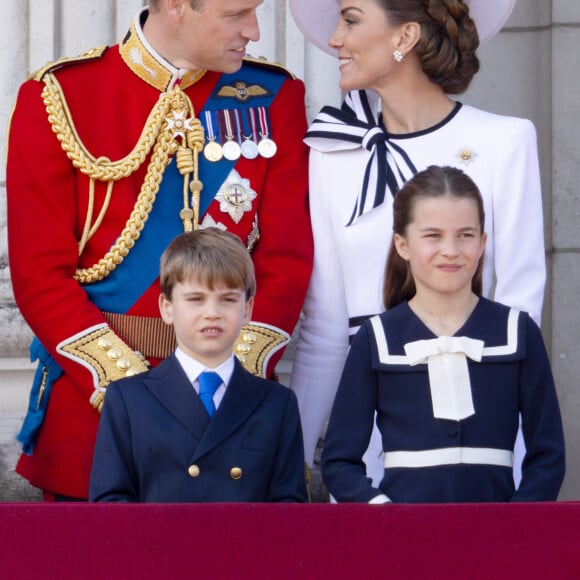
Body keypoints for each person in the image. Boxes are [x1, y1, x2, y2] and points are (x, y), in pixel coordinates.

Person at [6, 0, 313, 501]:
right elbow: (40, 275)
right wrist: (131, 393)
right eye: (237, 14)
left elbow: (286, 260)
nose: (254, 30)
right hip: (97, 415)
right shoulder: (60, 96)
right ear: (174, 6)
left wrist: (226, 381)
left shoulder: (273, 96)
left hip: (229, 415)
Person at [287, 0, 544, 484]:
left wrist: (515, 457)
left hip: (477, 430)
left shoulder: (505, 141)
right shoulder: (331, 153)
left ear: (405, 37)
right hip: (369, 436)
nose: (335, 40)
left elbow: (520, 313)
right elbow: (323, 330)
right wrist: (287, 462)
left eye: (351, 20)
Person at [321, 165, 564, 503]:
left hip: (498, 541)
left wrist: (514, 525)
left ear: (482, 243)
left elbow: (548, 457)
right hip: (403, 540)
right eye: (433, 235)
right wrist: (384, 514)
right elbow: (339, 462)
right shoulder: (375, 338)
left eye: (465, 235)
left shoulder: (518, 332)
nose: (450, 250)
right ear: (402, 244)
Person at [90, 228, 307, 502]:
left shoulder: (277, 404)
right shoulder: (128, 400)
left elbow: (289, 512)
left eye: (228, 299)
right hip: (158, 545)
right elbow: (111, 506)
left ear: (248, 309)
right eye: (196, 299)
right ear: (167, 307)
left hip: (246, 545)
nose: (212, 313)